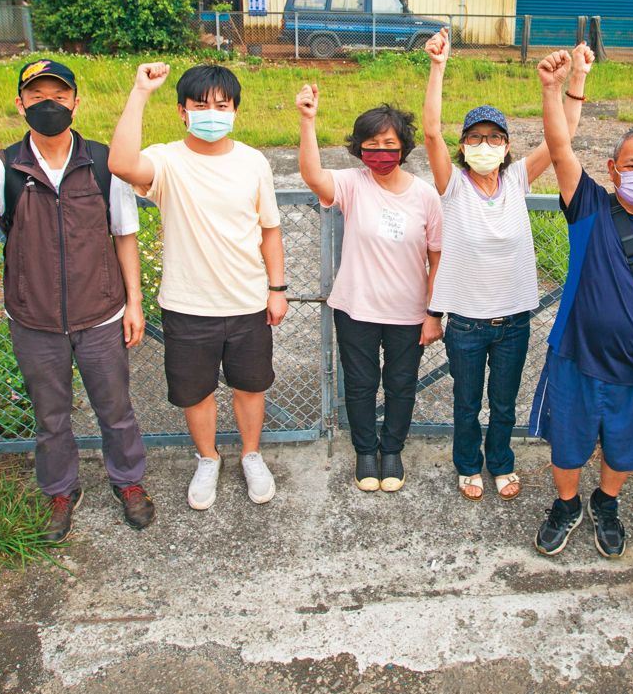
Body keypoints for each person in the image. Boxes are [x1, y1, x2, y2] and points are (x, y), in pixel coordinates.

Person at [0, 59, 152, 542]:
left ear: (76, 102)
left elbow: (125, 233)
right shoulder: (3, 165)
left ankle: (128, 482)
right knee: (50, 415)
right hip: (33, 319)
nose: (48, 105)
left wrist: (134, 302)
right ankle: (60, 490)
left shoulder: (101, 162)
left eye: (58, 95)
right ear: (20, 104)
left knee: (115, 407)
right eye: (37, 97)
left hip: (100, 314)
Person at [422, 28, 593, 501]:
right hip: (466, 325)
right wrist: (438, 66)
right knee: (465, 402)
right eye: (476, 138)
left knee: (502, 403)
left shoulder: (518, 178)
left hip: (515, 320)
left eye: (494, 138)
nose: (485, 145)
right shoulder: (452, 185)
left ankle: (500, 462)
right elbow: (431, 131)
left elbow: (566, 135)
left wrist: (573, 80)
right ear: (463, 146)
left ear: (506, 145)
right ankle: (467, 465)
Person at [109, 62, 287, 511]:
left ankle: (250, 454)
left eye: (222, 105)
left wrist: (277, 287)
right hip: (187, 306)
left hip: (248, 301)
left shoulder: (253, 161)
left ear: (235, 111)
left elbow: (270, 229)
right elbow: (122, 163)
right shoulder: (167, 160)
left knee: (250, 387)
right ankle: (207, 458)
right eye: (201, 105)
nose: (212, 112)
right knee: (197, 392)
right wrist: (139, 91)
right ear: (183, 112)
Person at [529, 50, 633, 559]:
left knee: (624, 445)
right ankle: (567, 504)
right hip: (575, 356)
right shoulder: (590, 205)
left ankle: (606, 500)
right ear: (613, 169)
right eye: (631, 165)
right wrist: (557, 88)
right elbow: (558, 144)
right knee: (567, 442)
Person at [297, 87, 443, 492]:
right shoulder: (353, 183)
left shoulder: (425, 195)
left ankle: (391, 449)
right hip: (356, 308)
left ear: (404, 147)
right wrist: (307, 121)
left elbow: (438, 257)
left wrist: (434, 313)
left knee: (401, 385)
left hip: (409, 312)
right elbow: (313, 176)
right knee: (360, 384)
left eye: (389, 145)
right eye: (371, 145)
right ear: (359, 150)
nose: (380, 152)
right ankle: (365, 450)